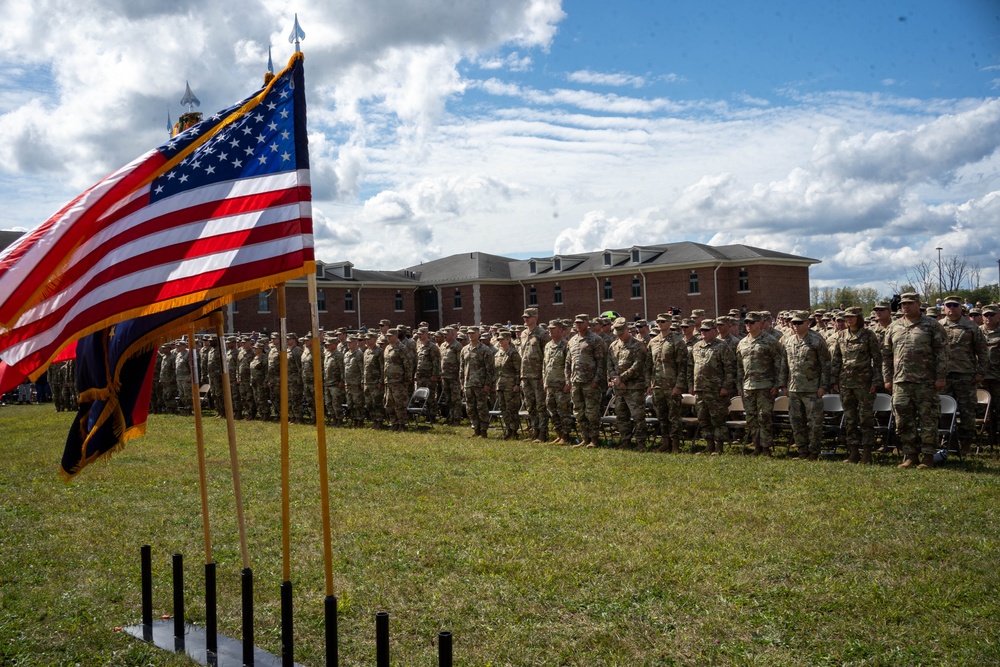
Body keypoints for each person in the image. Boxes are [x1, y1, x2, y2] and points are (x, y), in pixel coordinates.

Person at [882, 293, 949, 469]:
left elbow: (942, 353)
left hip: (926, 382)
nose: (906, 306)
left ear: (919, 304)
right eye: (903, 304)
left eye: (910, 303)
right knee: (903, 420)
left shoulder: (932, 325)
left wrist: (940, 377)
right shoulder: (894, 327)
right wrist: (887, 378)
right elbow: (887, 355)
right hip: (901, 382)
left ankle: (927, 457)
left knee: (928, 420)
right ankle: (910, 455)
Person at [831, 306, 883, 463]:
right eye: (846, 317)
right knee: (850, 418)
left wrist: (876, 381)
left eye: (852, 317)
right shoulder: (841, 335)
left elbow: (877, 359)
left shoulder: (868, 335)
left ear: (859, 318)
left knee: (865, 418)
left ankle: (867, 452)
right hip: (846, 383)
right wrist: (834, 380)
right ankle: (853, 451)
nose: (848, 319)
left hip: (864, 383)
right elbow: (836, 360)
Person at [781, 310, 832, 460]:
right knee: (796, 421)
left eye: (798, 322)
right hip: (794, 388)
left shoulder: (816, 340)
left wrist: (823, 386)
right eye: (793, 323)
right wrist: (783, 385)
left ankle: (813, 452)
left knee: (814, 423)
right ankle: (802, 450)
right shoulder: (789, 341)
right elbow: (784, 365)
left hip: (812, 389)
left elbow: (826, 365)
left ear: (807, 323)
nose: (795, 325)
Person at [941, 295, 988, 454]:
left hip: (965, 375)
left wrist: (980, 372)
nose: (951, 308)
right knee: (944, 410)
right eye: (949, 305)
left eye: (955, 305)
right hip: (944, 376)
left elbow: (982, 352)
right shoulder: (938, 326)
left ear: (961, 307)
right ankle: (949, 442)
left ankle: (966, 444)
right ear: (944, 308)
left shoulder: (971, 327)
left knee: (967, 410)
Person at [735, 311, 785, 456]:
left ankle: (766, 448)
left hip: (765, 386)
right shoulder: (742, 343)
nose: (748, 325)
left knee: (764, 417)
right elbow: (739, 367)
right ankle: (756, 446)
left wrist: (777, 385)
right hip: (748, 387)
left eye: (751, 322)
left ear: (760, 324)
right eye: (746, 323)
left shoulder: (770, 341)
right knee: (751, 417)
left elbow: (778, 364)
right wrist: (739, 386)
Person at [688, 319, 735, 455]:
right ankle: (709, 445)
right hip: (700, 390)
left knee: (718, 419)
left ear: (715, 331)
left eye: (707, 330)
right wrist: (691, 385)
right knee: (703, 419)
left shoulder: (722, 346)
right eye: (702, 330)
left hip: (716, 391)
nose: (703, 332)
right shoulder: (696, 347)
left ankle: (719, 447)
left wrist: (726, 387)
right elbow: (691, 367)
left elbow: (730, 369)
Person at [564, 314, 606, 448]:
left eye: (581, 322)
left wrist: (597, 380)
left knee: (592, 412)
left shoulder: (595, 340)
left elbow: (601, 362)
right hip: (576, 381)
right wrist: (568, 379)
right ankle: (585, 438)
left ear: (587, 323)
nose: (578, 325)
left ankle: (594, 439)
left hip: (590, 382)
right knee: (579, 411)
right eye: (576, 322)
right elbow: (568, 362)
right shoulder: (572, 341)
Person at [607, 317, 648, 450]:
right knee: (622, 415)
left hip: (634, 387)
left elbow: (638, 365)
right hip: (619, 388)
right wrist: (615, 380)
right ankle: (625, 441)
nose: (619, 335)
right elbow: (610, 365)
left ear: (627, 329)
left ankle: (641, 443)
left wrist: (622, 379)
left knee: (638, 416)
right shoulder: (613, 346)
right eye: (617, 332)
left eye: (621, 332)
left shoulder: (638, 345)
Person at [649, 313, 687, 453]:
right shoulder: (653, 342)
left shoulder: (677, 341)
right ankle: (666, 442)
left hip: (672, 386)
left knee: (674, 417)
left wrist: (679, 385)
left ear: (670, 323)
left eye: (663, 321)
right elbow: (649, 365)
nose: (660, 323)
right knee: (662, 416)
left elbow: (683, 366)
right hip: (657, 385)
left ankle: (676, 444)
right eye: (658, 321)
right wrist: (650, 383)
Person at [519, 307, 550, 442]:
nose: (526, 319)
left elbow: (547, 356)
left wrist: (545, 375)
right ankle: (534, 430)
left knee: (540, 405)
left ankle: (543, 432)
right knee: (530, 405)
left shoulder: (542, 334)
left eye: (528, 317)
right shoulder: (523, 333)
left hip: (538, 375)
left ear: (535, 317)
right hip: (525, 375)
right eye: (524, 317)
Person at [460, 326, 495, 438]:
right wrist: (462, 382)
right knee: (470, 408)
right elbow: (462, 367)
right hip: (468, 383)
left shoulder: (485, 350)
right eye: (469, 333)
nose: (470, 335)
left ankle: (484, 431)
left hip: (480, 384)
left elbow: (490, 369)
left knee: (482, 407)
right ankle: (476, 429)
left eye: (473, 333)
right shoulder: (465, 349)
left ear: (478, 334)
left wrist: (487, 384)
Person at [542, 319, 573, 444]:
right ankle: (559, 434)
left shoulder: (566, 345)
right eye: (549, 328)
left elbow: (570, 365)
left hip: (561, 384)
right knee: (552, 410)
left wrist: (568, 382)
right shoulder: (548, 345)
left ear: (560, 330)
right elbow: (545, 365)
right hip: (550, 384)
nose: (550, 330)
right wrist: (545, 381)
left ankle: (566, 436)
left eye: (553, 328)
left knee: (563, 411)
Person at [494, 331, 522, 439]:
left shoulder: (513, 353)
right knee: (503, 408)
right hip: (500, 384)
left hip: (510, 385)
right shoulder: (498, 353)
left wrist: (517, 384)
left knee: (512, 408)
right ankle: (508, 429)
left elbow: (518, 370)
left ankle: (514, 430)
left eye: (502, 339)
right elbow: (496, 370)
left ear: (508, 340)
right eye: (499, 339)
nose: (500, 341)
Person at [981, 304, 1000, 448]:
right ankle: (987, 438)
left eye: (991, 315)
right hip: (980, 377)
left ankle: (997, 438)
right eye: (986, 315)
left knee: (998, 408)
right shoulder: (977, 331)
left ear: (998, 316)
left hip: (997, 377)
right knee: (983, 410)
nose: (988, 318)